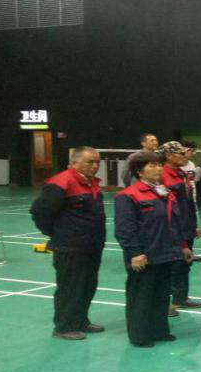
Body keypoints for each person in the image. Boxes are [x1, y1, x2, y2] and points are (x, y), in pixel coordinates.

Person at [30, 146, 107, 340]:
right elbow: (40, 212)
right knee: (70, 288)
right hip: (70, 246)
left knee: (88, 285)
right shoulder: (60, 182)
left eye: (97, 162)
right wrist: (56, 233)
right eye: (90, 162)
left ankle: (80, 321)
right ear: (74, 162)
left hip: (92, 245)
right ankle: (63, 327)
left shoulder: (92, 182)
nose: (95, 165)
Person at [115, 152, 190, 347]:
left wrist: (182, 246)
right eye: (152, 166)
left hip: (166, 253)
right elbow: (125, 229)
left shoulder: (165, 192)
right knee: (141, 296)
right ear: (139, 172)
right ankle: (139, 336)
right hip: (144, 255)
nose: (158, 169)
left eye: (159, 165)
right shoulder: (128, 196)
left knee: (161, 295)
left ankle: (159, 331)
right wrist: (135, 253)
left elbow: (174, 222)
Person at [159, 141, 201, 313]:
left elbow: (188, 203)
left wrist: (193, 225)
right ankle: (163, 304)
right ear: (169, 156)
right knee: (171, 267)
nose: (186, 156)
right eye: (181, 153)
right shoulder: (162, 175)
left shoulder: (182, 174)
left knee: (185, 264)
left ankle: (180, 298)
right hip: (171, 229)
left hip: (186, 226)